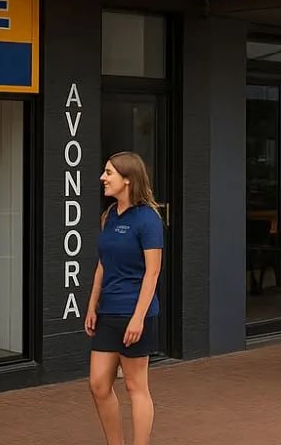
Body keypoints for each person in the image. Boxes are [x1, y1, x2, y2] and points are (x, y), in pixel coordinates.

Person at [85, 152, 164, 445]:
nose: (103, 178)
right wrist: (92, 305)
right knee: (98, 384)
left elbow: (152, 273)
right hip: (108, 313)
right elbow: (103, 264)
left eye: (109, 173)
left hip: (135, 313)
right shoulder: (109, 216)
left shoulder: (148, 220)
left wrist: (138, 318)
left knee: (135, 386)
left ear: (127, 179)